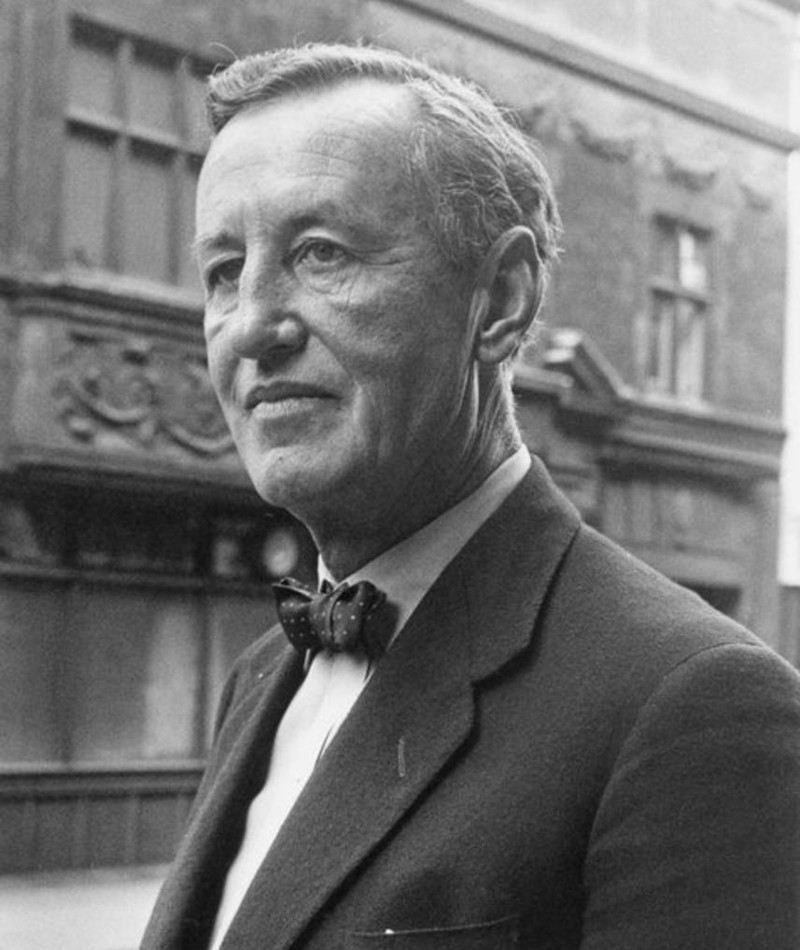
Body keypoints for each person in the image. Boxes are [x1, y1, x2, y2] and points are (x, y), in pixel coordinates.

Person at [142, 43, 800, 950]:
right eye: (224, 269)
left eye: (321, 254)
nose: (253, 325)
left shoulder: (696, 707)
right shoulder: (259, 676)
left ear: (499, 299)